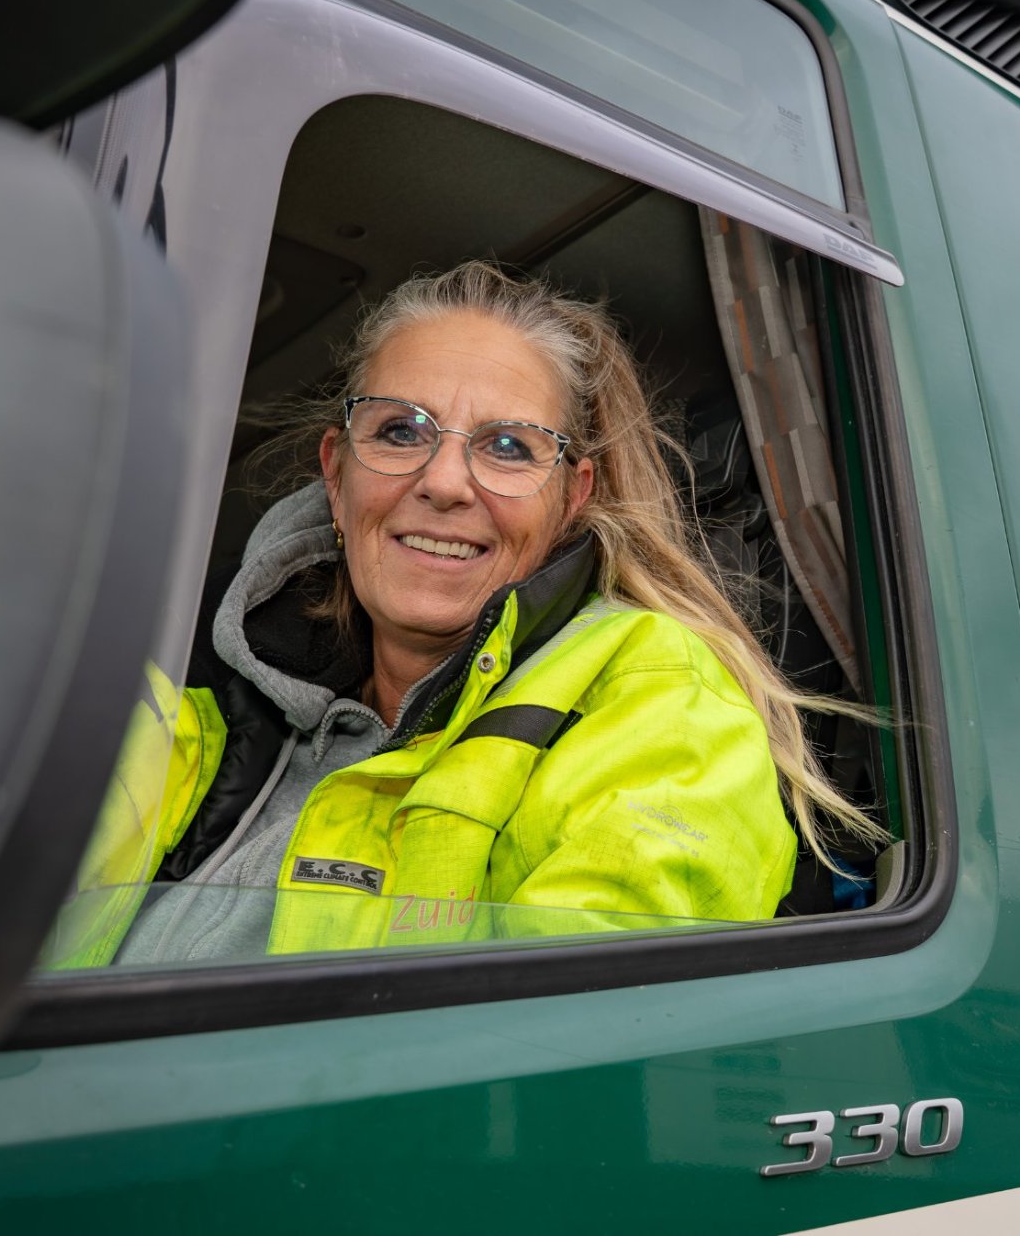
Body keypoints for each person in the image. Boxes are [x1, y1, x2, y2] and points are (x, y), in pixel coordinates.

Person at [46, 261, 882, 969]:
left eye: (510, 447)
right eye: (402, 430)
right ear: (337, 477)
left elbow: (546, 1069)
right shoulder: (181, 689)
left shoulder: (663, 705)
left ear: (570, 499)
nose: (444, 482)